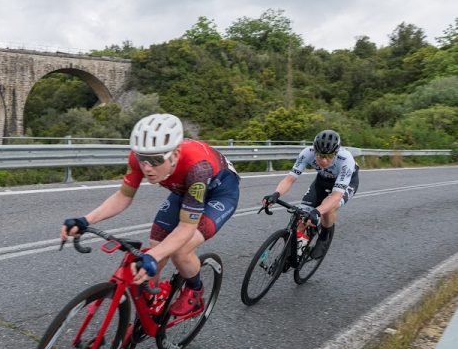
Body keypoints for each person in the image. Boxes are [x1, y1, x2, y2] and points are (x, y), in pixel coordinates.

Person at [61, 113, 241, 315]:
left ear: (174, 155)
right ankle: (152, 301)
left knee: (179, 251)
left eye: (155, 161)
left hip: (219, 193)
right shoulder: (142, 157)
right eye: (142, 159)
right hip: (184, 190)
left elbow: (186, 228)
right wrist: (86, 220)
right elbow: (123, 197)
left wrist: (154, 257)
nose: (147, 168)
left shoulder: (197, 168)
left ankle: (195, 291)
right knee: (156, 244)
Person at [262, 129, 359, 259]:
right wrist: (276, 194)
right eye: (320, 155)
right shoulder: (307, 153)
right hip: (322, 180)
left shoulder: (346, 160)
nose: (324, 161)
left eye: (329, 156)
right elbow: (290, 179)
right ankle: (292, 251)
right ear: (314, 151)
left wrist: (317, 212)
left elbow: (336, 196)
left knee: (328, 209)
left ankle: (324, 238)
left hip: (347, 182)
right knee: (302, 217)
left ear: (336, 153)